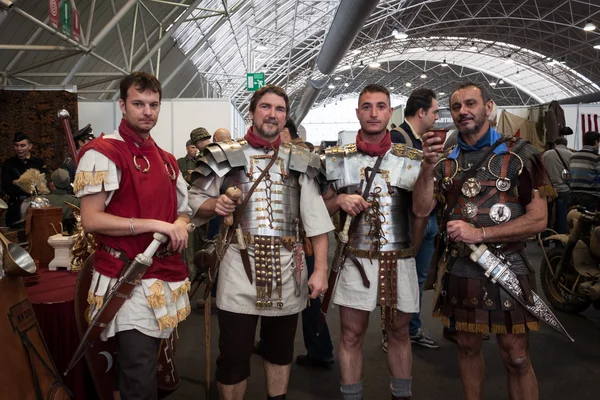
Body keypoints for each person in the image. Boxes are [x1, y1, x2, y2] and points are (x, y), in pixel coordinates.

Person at [188, 84, 332, 400]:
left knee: (280, 351)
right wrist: (218, 205)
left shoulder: (301, 160)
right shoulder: (225, 155)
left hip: (287, 269)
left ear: (286, 117)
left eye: (280, 109)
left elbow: (316, 220)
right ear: (252, 112)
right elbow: (194, 203)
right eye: (266, 107)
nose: (272, 114)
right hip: (238, 268)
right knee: (234, 356)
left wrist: (320, 269)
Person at [413, 81, 554, 400]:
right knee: (465, 347)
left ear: (488, 107)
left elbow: (539, 219)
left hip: (509, 266)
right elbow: (421, 208)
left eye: (471, 104)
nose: (463, 111)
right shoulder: (445, 160)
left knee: (516, 357)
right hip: (461, 269)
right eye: (456, 106)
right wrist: (426, 167)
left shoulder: (522, 155)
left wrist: (482, 233)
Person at [74, 71, 192, 399]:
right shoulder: (103, 152)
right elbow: (91, 220)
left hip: (165, 275)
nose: (147, 111)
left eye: (153, 104)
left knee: (151, 366)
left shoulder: (168, 161)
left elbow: (184, 210)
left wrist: (180, 223)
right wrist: (155, 225)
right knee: (138, 372)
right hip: (127, 278)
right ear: (122, 105)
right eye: (138, 103)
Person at [322, 84, 422, 400]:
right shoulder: (337, 159)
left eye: (381, 106)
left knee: (399, 332)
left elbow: (421, 212)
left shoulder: (411, 159)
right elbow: (317, 211)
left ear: (390, 112)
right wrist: (338, 199)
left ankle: (401, 396)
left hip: (399, 259)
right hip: (355, 259)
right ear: (358, 113)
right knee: (351, 335)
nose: (374, 113)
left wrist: (413, 253)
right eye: (367, 106)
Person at [386, 88, 441, 350]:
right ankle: (393, 332)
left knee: (416, 280)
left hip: (426, 219)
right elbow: (396, 185)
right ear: (421, 112)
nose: (437, 117)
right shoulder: (398, 138)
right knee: (400, 280)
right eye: (435, 111)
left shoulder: (418, 139)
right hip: (408, 223)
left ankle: (411, 328)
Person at [1, 132, 47, 227]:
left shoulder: (39, 163)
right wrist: (28, 185)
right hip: (15, 207)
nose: (19, 149)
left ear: (30, 146)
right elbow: (7, 187)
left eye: (22, 145)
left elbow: (42, 185)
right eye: (16, 145)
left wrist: (17, 182)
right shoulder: (8, 164)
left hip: (34, 206)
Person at [542, 136, 573, 233]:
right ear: (565, 145)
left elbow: (542, 171)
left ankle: (544, 237)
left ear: (555, 144)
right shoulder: (571, 155)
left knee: (546, 213)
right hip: (563, 188)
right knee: (561, 214)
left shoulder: (547, 154)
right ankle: (559, 240)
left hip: (548, 188)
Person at [569, 130, 600, 210]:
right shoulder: (597, 158)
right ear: (596, 142)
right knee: (588, 221)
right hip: (590, 197)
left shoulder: (573, 156)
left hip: (572, 195)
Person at [46, 168, 80, 233]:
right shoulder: (76, 201)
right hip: (70, 239)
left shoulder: (43, 200)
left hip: (47, 237)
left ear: (52, 184)